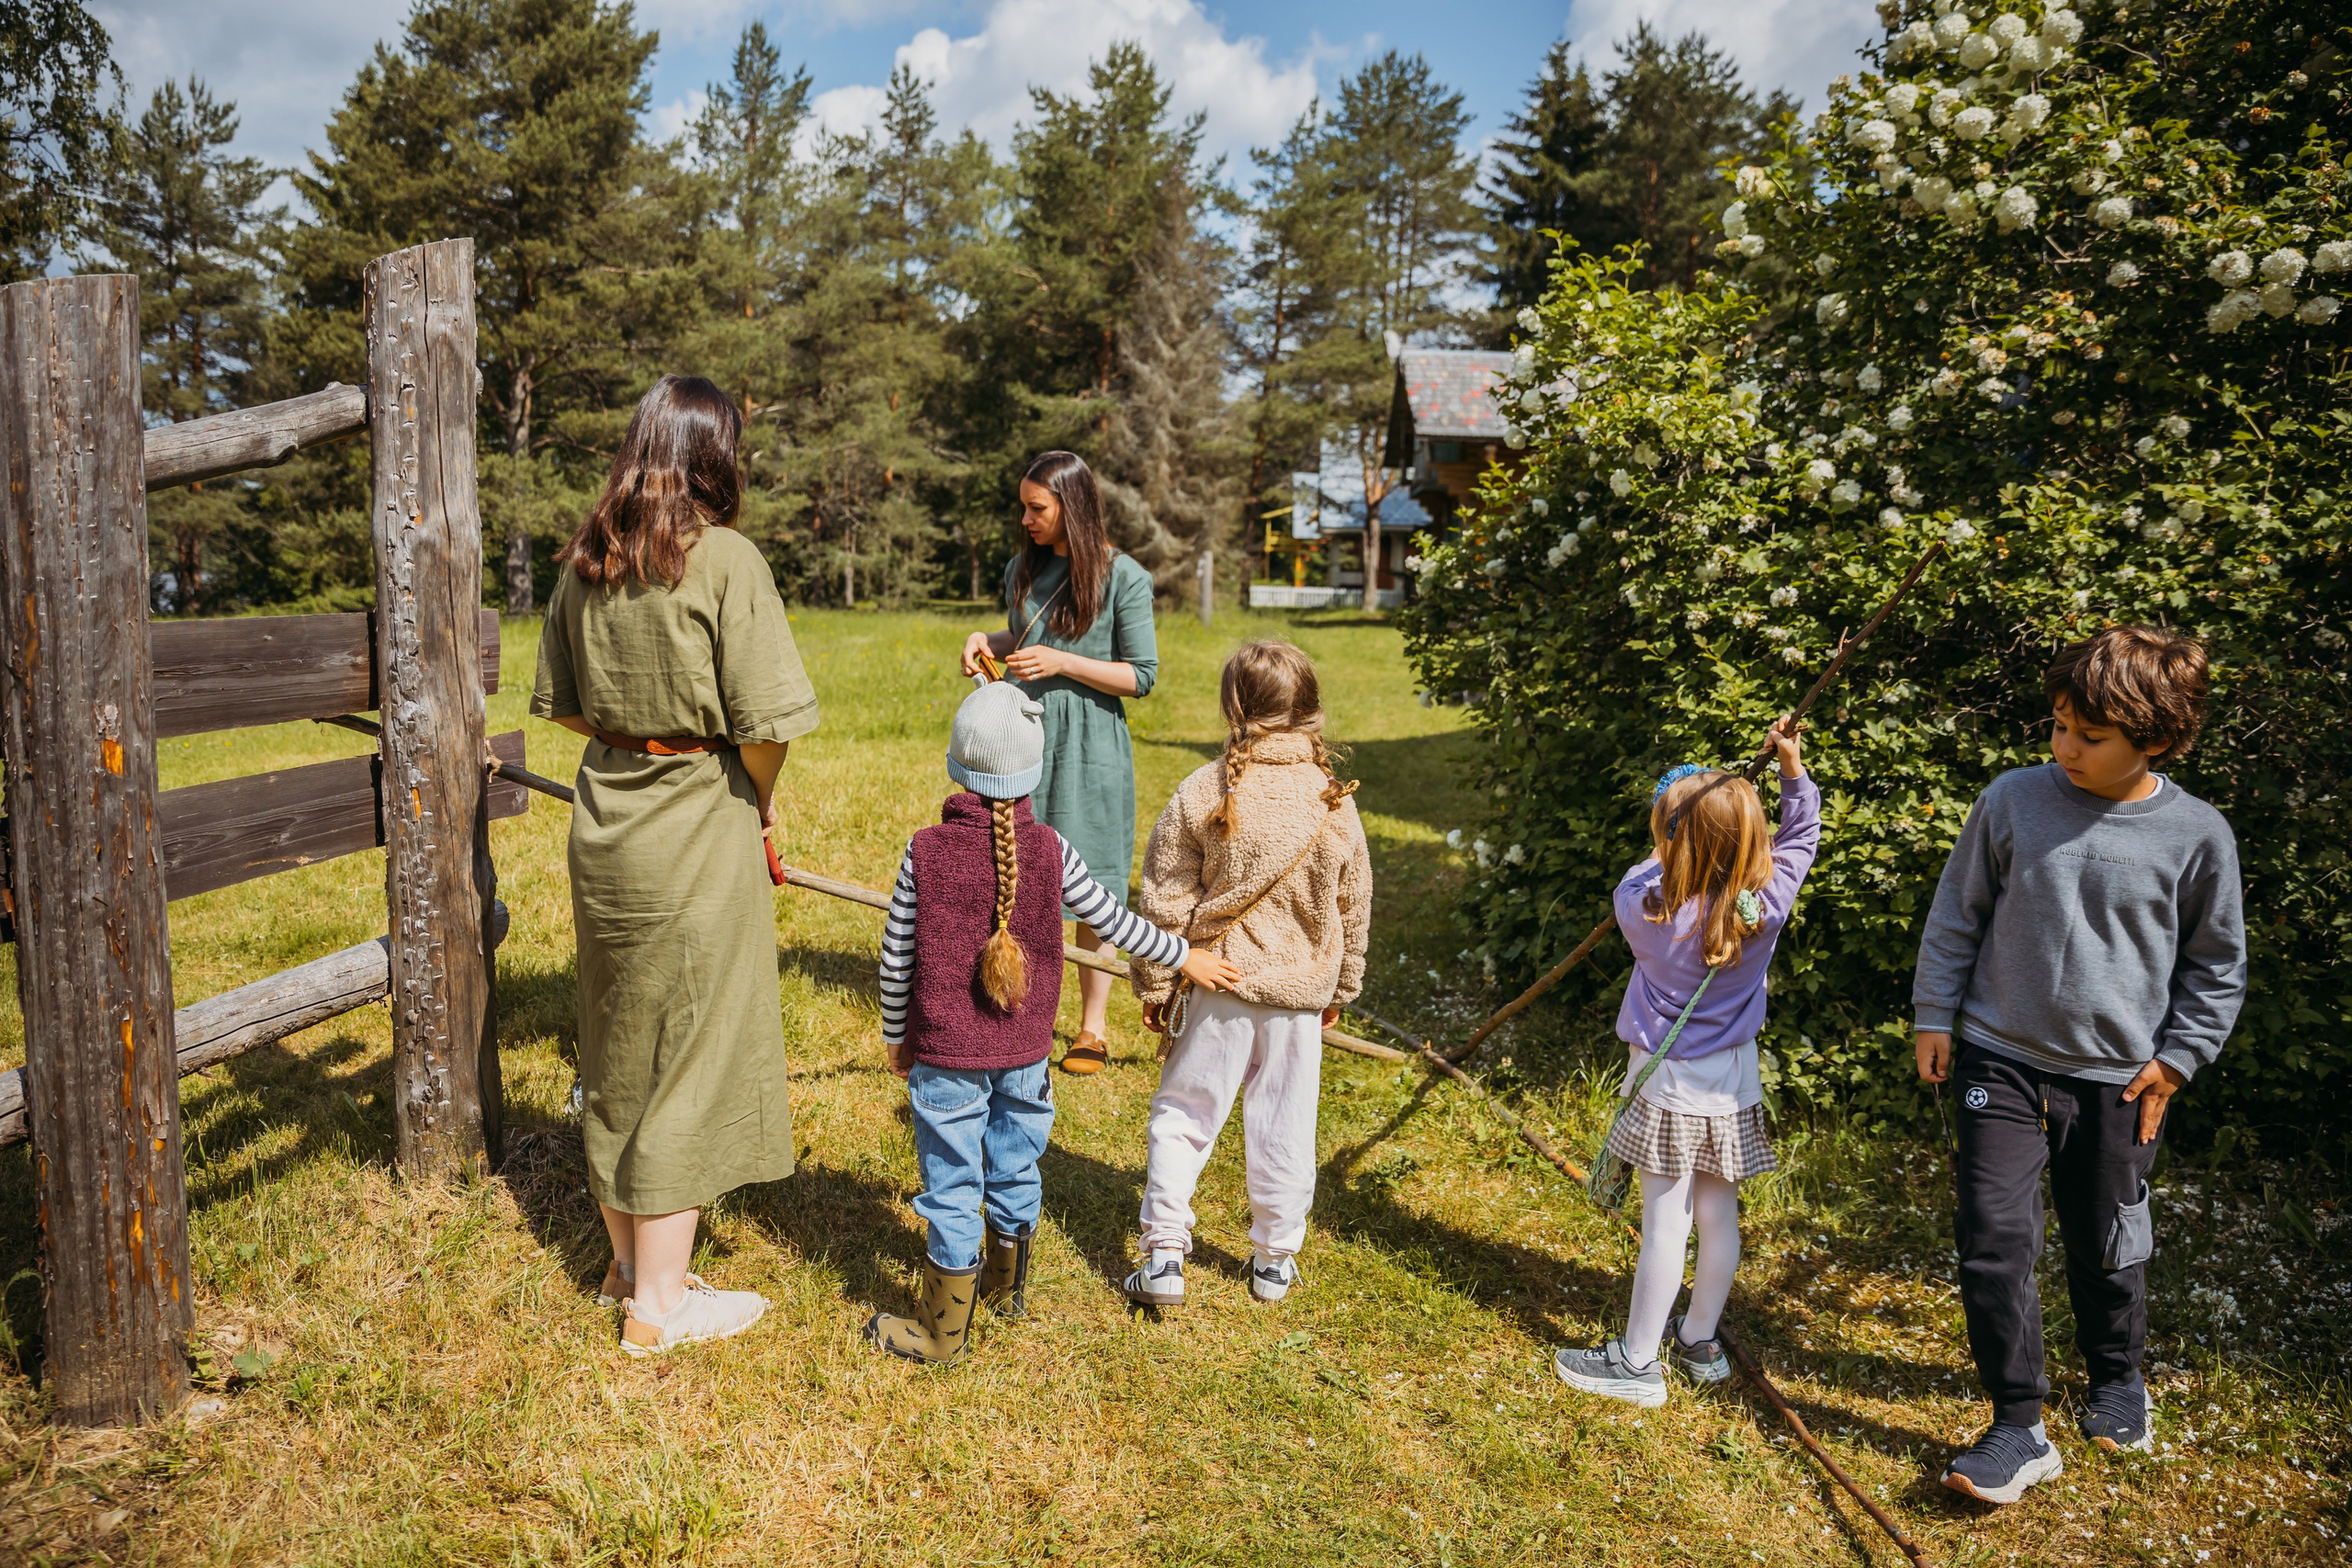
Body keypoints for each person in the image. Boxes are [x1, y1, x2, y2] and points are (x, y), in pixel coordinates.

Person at [1915, 626, 2245, 1505]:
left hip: (2120, 1081)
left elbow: (2217, 966)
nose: (2065, 746)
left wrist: (2177, 1062)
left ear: (2157, 739)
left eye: (2089, 735)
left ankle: (2117, 1376)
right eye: (2059, 725)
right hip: (1999, 1058)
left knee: (2107, 1245)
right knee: (1993, 1240)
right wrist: (1934, 1015)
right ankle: (2018, 1424)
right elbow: (1957, 912)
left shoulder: (2198, 835)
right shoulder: (2013, 798)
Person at [530, 375, 820, 1358]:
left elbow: (565, 705)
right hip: (699, 821)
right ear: (713, 454)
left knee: (618, 1043)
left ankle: (627, 1265)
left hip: (606, 822)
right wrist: (758, 799)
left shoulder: (589, 557)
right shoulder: (727, 559)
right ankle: (659, 1307)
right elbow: (769, 724)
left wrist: (634, 735)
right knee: (692, 1050)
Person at [865, 681, 1241, 1365]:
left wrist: (897, 1035)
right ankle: (1006, 1289)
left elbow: (895, 960)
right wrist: (1183, 955)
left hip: (945, 1057)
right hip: (1028, 1056)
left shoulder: (925, 850)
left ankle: (943, 1331)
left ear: (956, 764)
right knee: (1015, 1164)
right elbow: (1115, 921)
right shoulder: (1053, 849)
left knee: (953, 1184)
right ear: (1034, 771)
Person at [1554, 717, 1816, 1407]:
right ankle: (1698, 1340)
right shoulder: (1767, 906)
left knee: (1664, 1223)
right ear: (1754, 843)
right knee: (1719, 1215)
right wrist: (1790, 769)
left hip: (1668, 1086)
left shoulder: (1644, 907)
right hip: (1733, 1082)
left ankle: (1638, 1363)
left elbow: (1648, 867)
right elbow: (1802, 836)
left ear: (1674, 843)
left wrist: (1672, 830)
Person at [1123, 641, 1373, 1309]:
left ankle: (1165, 1253)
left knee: (1184, 1114)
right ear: (1311, 711)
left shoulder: (1204, 788)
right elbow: (1353, 905)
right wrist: (1341, 987)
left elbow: (1165, 895)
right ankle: (1274, 1262)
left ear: (1233, 708)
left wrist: (1157, 980)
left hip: (1216, 983)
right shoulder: (1335, 801)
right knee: (1286, 1125)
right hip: (1298, 996)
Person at [960, 452, 1159, 1076]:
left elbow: (1141, 675)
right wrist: (986, 641)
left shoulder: (1126, 578)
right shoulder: (1022, 569)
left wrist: (1063, 662)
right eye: (1023, 506)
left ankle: (1092, 1028)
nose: (1025, 519)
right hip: (1022, 737)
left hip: (1091, 746)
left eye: (1036, 508)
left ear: (1071, 507)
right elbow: (1022, 639)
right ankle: (1021, 1012)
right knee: (1019, 867)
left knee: (1093, 875)